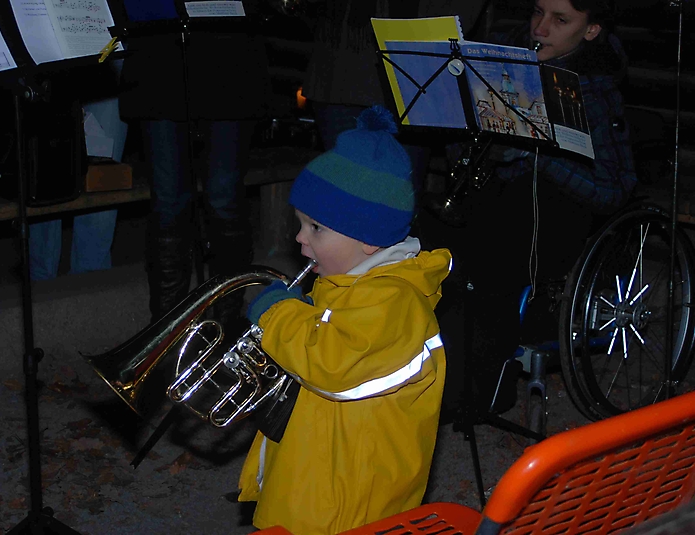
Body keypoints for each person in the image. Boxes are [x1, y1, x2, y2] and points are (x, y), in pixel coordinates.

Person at [236, 106, 452, 534]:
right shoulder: (346, 284)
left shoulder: (394, 301)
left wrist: (279, 316)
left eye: (316, 228)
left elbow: (334, 366)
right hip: (317, 471)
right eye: (300, 224)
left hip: (350, 500)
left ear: (370, 240)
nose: (299, 237)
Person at [424, 0, 637, 414]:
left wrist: (539, 155)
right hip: (500, 203)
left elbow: (614, 190)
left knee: (481, 263)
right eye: (538, 12)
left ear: (591, 30)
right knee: (423, 242)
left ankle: (472, 391)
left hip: (556, 221)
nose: (540, 28)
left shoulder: (594, 88)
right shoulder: (506, 62)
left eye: (560, 20)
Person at [119, 0, 270, 321]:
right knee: (169, 200)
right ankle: (164, 332)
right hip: (159, 57)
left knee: (223, 195)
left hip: (230, 56)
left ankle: (227, 323)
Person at [301, 0, 489, 196]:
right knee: (340, 198)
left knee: (397, 201)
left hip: (411, 67)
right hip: (340, 67)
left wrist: (432, 31)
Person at [29, 61, 128, 281]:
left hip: (106, 50)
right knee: (44, 180)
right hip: (48, 56)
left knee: (103, 181)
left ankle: (90, 286)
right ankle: (40, 285)